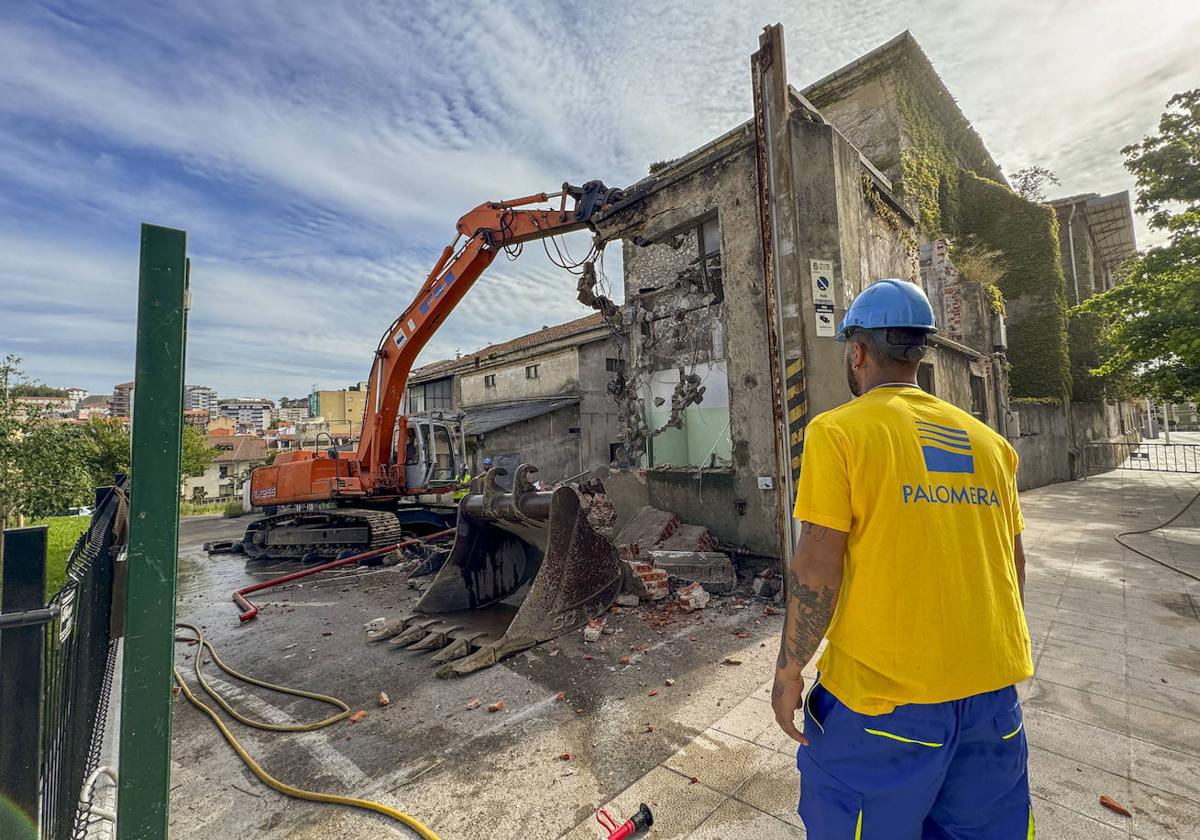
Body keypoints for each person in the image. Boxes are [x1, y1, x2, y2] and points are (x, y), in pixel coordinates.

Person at [772, 279, 1034, 838]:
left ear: (858, 352)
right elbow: (1012, 569)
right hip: (993, 706)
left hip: (884, 711)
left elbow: (817, 566)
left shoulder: (840, 432)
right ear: (922, 351)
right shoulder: (991, 446)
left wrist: (789, 671)